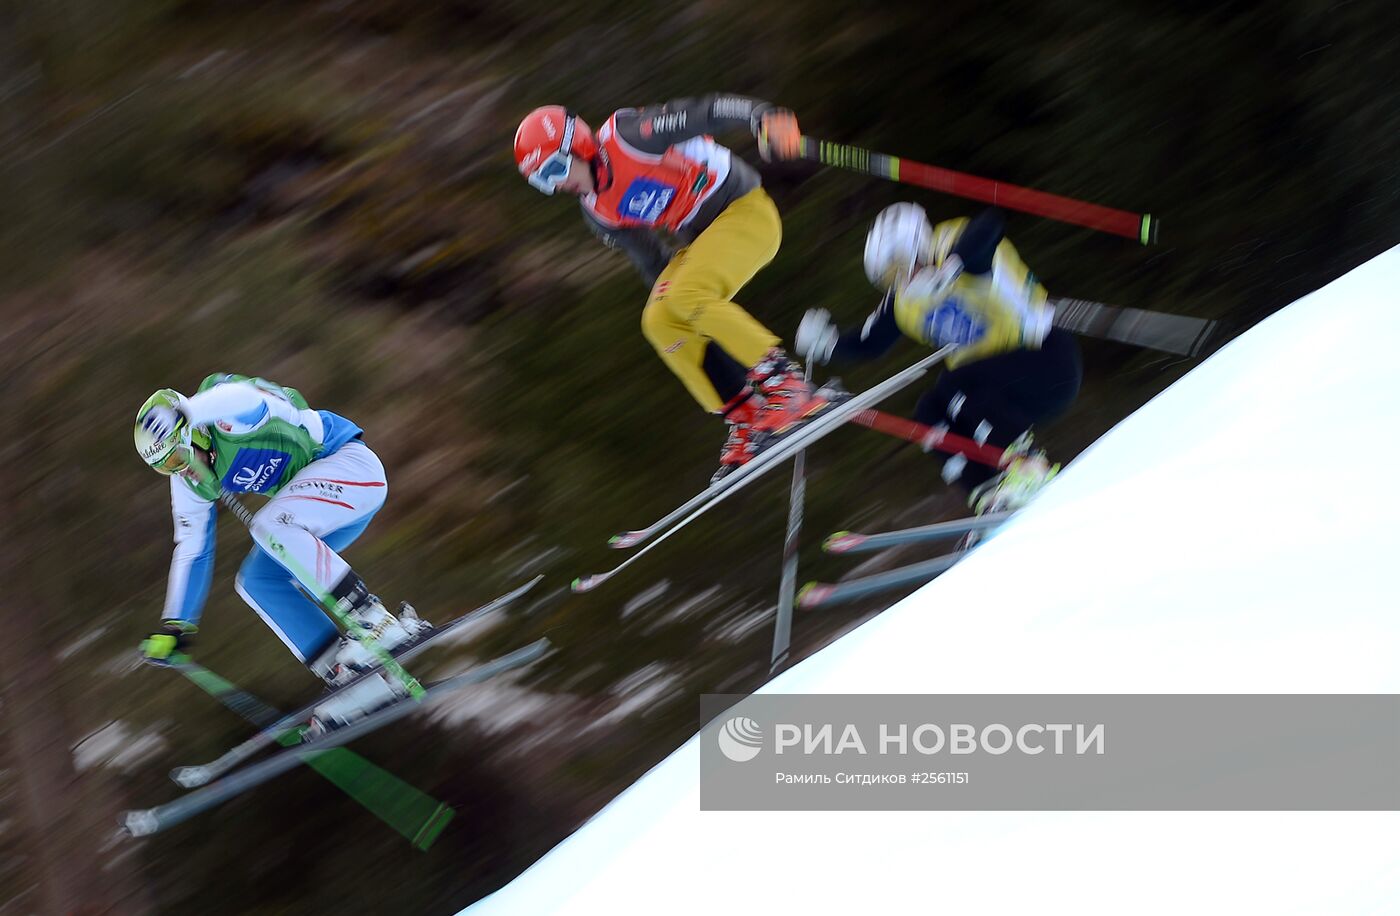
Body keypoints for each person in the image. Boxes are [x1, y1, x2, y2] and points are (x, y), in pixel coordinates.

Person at [513, 93, 837, 482]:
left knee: (684, 296)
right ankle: (746, 415)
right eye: (543, 181)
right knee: (659, 319)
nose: (558, 183)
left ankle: (787, 385)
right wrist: (692, 319)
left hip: (747, 213)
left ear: (578, 145)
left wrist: (762, 116)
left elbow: (705, 112)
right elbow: (653, 263)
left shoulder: (630, 137)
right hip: (708, 241)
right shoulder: (598, 211)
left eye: (556, 168)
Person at [133, 373, 431, 731]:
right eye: (165, 466)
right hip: (322, 514)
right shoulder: (188, 480)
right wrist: (177, 624)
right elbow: (191, 548)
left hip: (352, 470)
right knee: (257, 581)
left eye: (178, 455)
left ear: (194, 430)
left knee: (267, 525)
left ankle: (376, 621)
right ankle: (351, 678)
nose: (179, 469)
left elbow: (239, 396)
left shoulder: (228, 418)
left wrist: (189, 408)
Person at [795, 204, 1082, 514]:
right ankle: (986, 492)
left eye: (901, 266)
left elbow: (989, 226)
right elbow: (870, 343)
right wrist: (827, 343)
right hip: (1000, 394)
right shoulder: (907, 302)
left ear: (920, 244)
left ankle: (1027, 465)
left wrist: (950, 268)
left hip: (1047, 361)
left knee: (955, 384)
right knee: (929, 411)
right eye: (889, 278)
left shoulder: (954, 245)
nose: (901, 281)